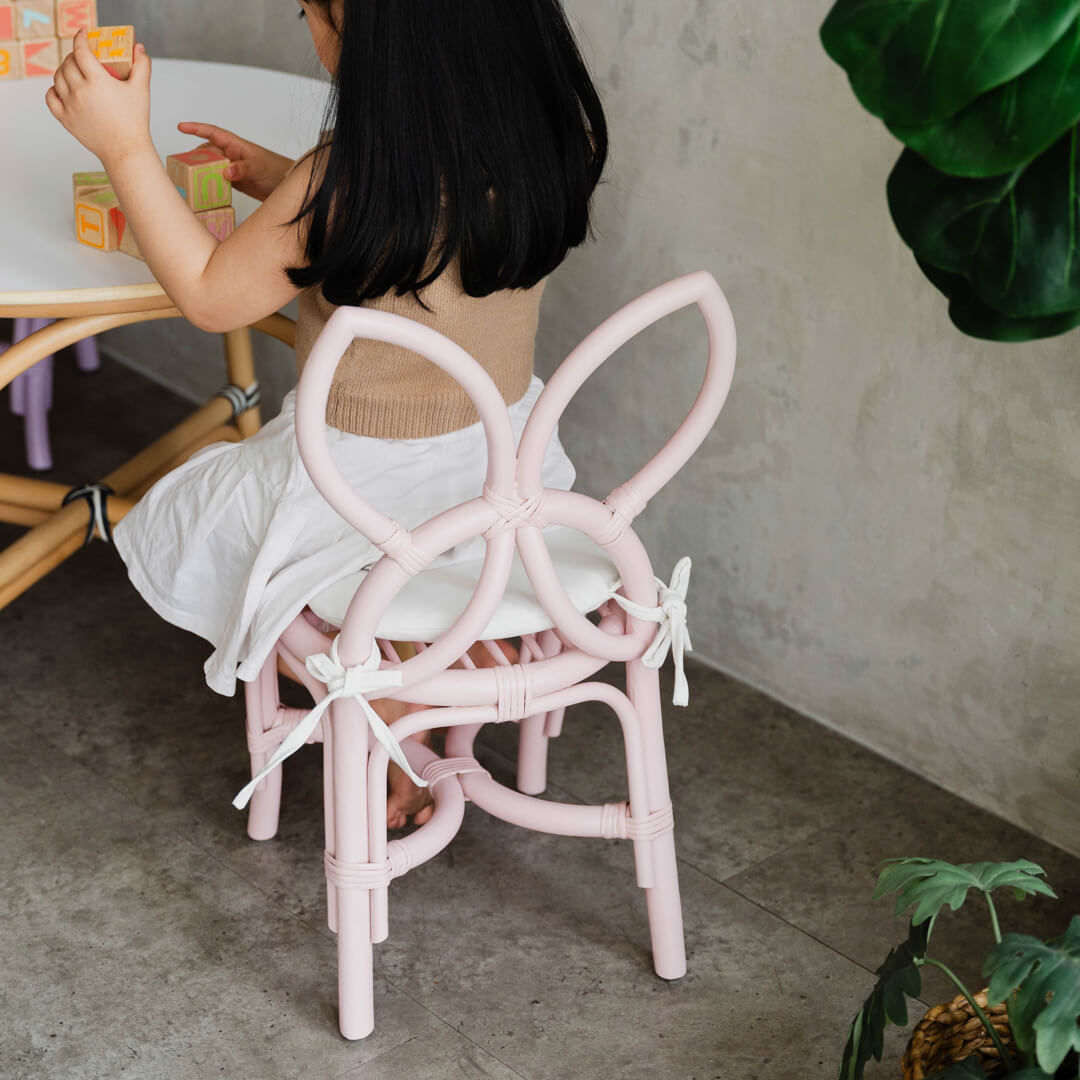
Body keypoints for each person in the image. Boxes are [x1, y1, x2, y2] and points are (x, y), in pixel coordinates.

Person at [45, 0, 608, 827]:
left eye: (311, 12)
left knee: (202, 524)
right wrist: (283, 184)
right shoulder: (553, 142)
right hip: (501, 476)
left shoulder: (340, 182)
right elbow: (423, 219)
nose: (308, 28)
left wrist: (123, 147)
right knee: (366, 545)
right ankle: (426, 654)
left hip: (359, 494)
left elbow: (210, 296)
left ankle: (386, 704)